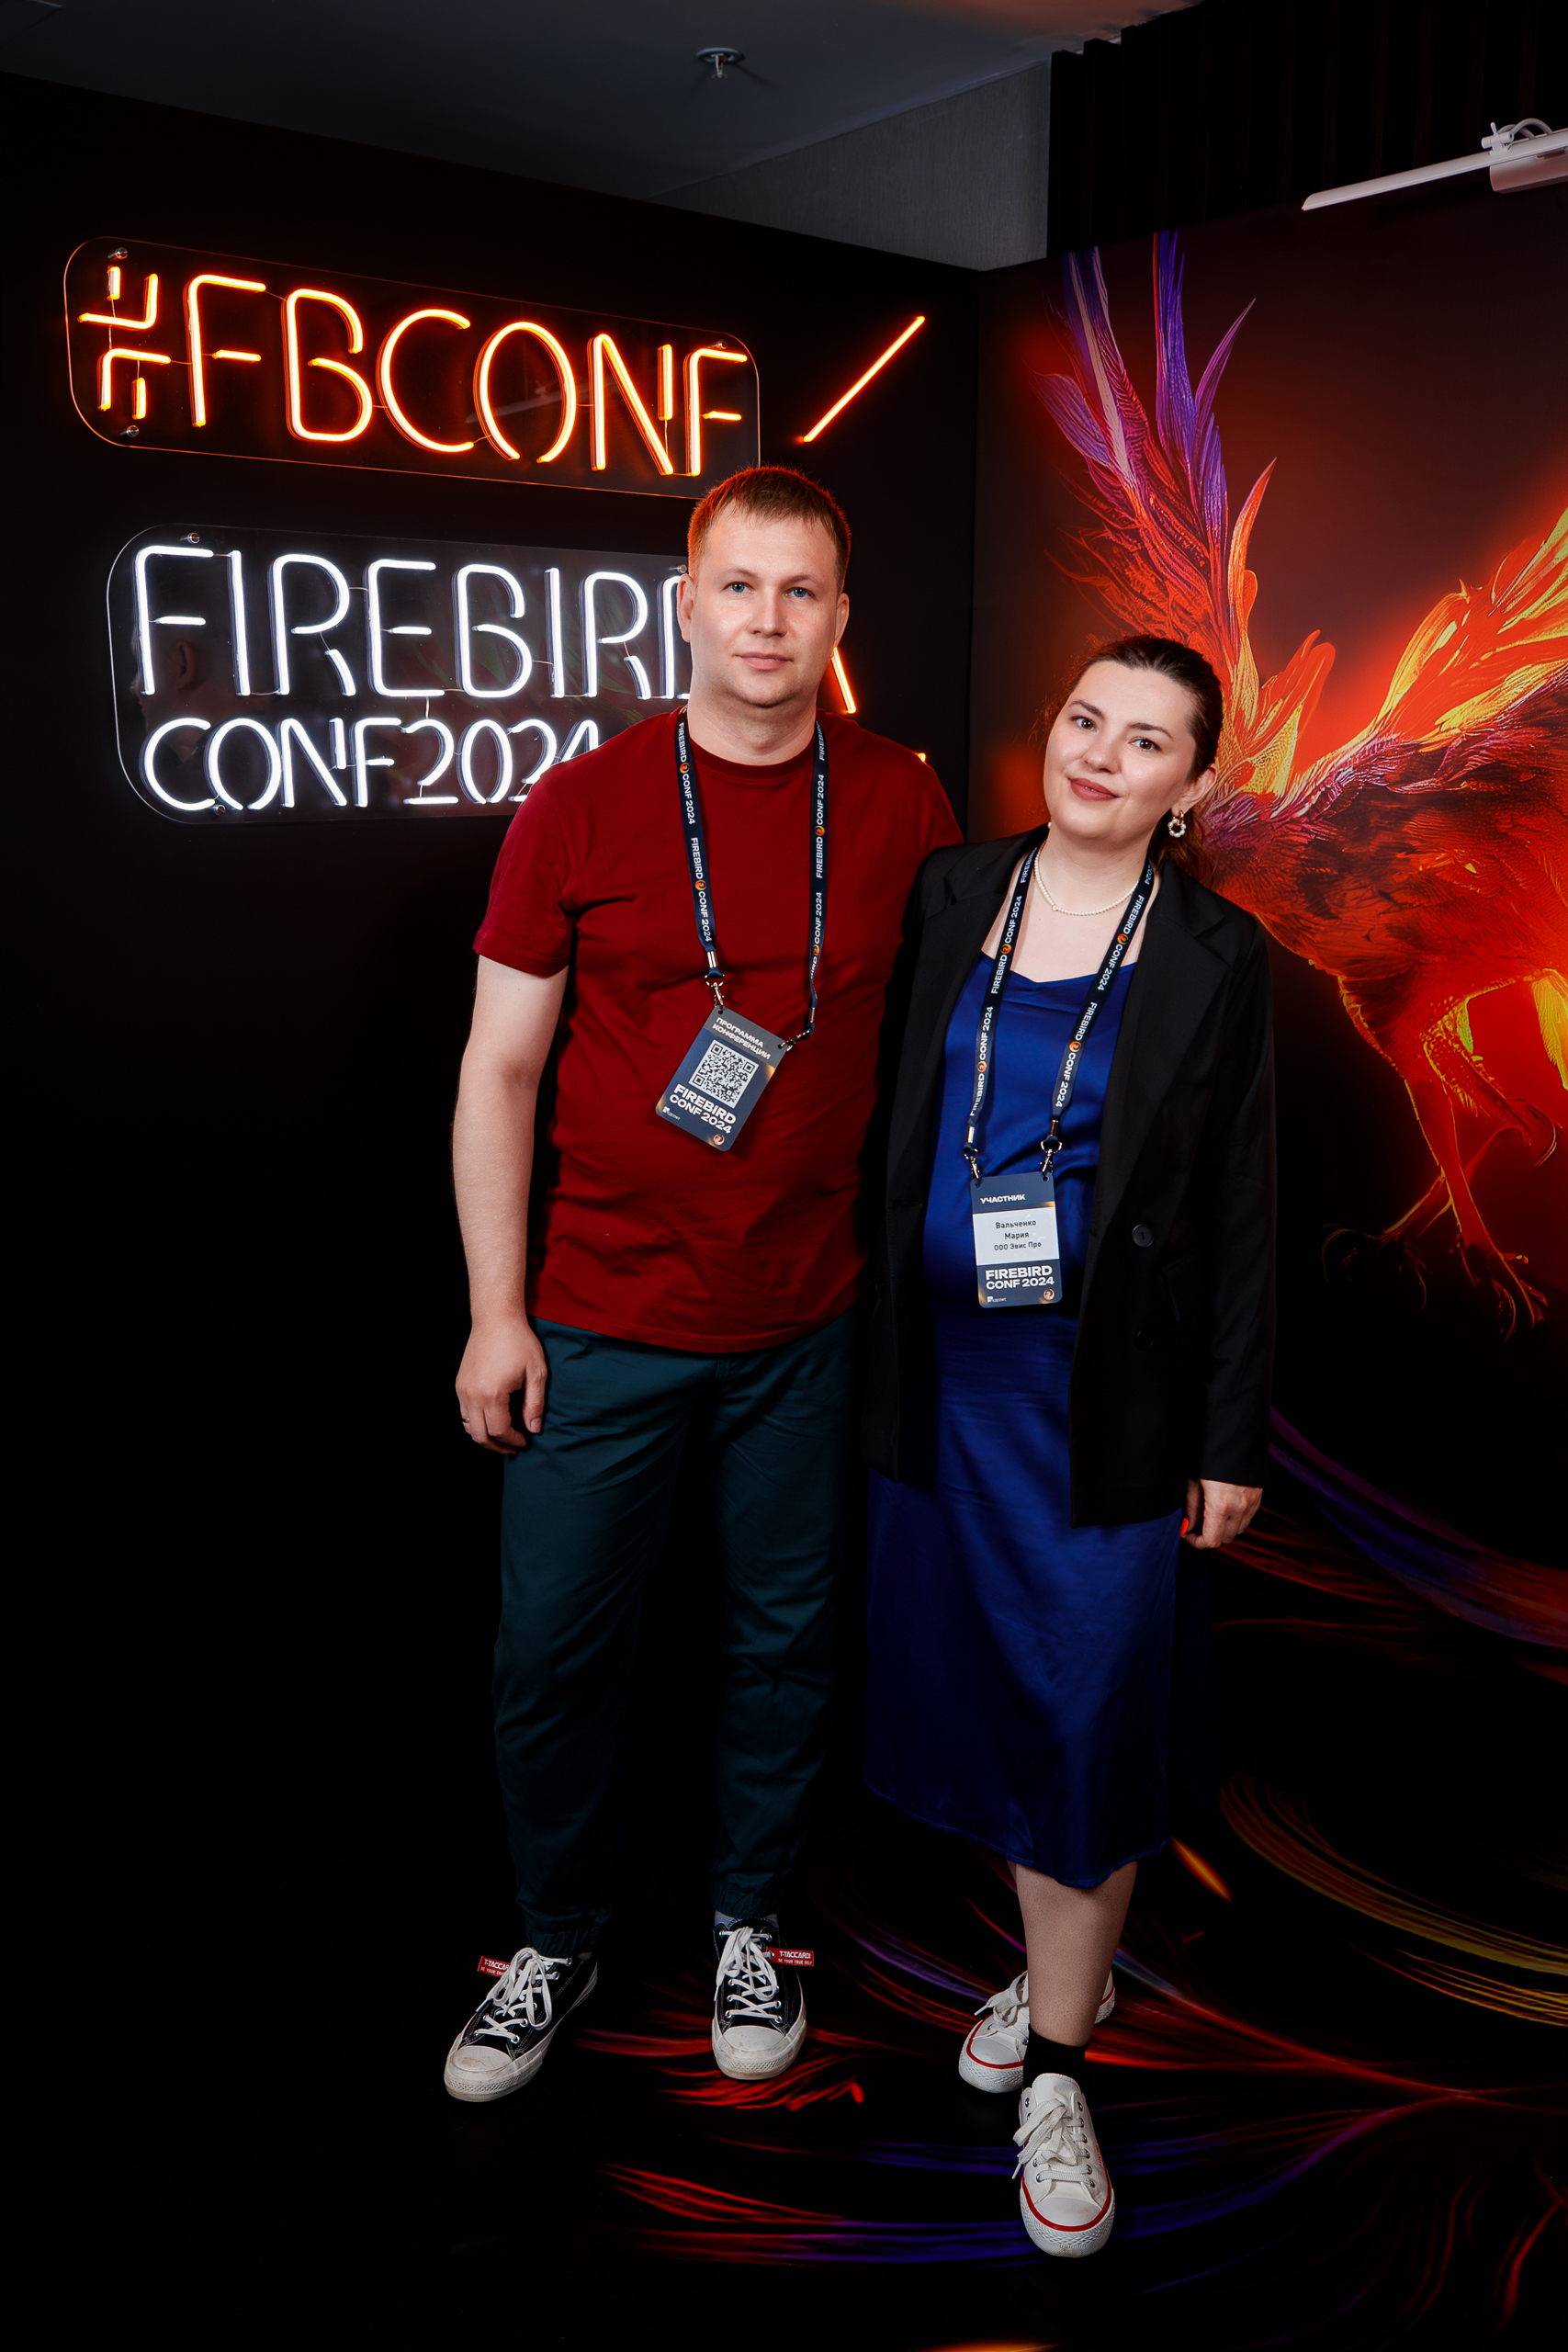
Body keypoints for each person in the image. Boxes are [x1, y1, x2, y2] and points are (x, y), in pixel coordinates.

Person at [445, 467, 962, 2102]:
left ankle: (752, 1921)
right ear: (687, 602)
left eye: (801, 591)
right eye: (739, 586)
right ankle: (556, 1937)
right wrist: (497, 1311)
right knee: (554, 1651)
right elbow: (499, 1071)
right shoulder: (581, 803)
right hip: (599, 1318)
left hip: (809, 1320)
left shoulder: (903, 800)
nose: (767, 620)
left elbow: (948, 1044)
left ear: (841, 616)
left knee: (783, 1643)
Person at [861, 636, 1275, 2257]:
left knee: (1086, 1718)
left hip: (1104, 1408)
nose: (1100, 753)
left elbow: (1243, 1210)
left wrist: (1228, 1438)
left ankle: (1056, 2070)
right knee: (981, 1696)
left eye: (1146, 740)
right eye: (1087, 719)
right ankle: (1056, 1978)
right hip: (938, 1393)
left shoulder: (1219, 953)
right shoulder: (953, 890)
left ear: (1192, 786)